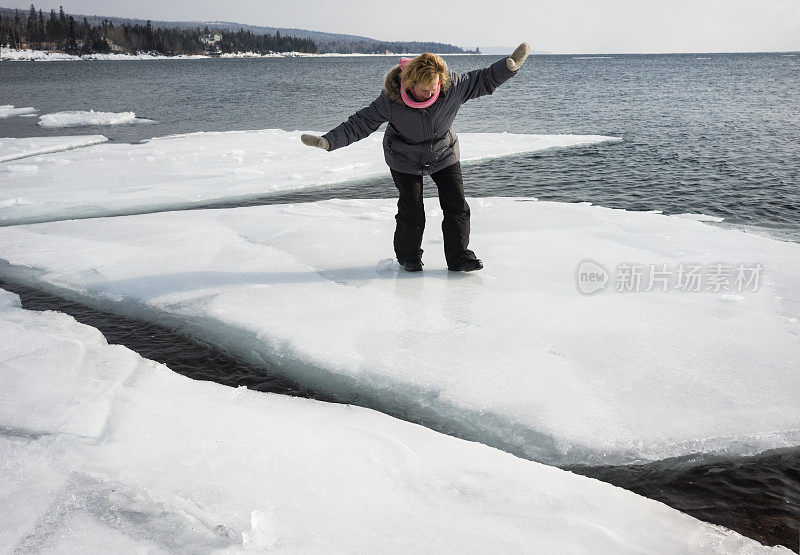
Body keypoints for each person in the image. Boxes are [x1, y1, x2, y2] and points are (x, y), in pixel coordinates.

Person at [301, 43, 531, 272]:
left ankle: (459, 257)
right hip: (403, 156)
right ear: (410, 84)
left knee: (456, 204)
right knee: (411, 206)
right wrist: (329, 141)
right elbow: (361, 123)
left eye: (434, 88)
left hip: (443, 152)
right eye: (424, 90)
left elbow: (484, 79)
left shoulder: (452, 86)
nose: (431, 93)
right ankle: (409, 256)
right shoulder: (391, 100)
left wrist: (509, 66)